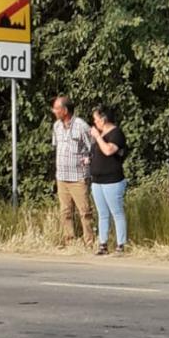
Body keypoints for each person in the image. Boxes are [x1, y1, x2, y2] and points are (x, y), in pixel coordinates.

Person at [51, 95, 94, 249]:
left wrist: (89, 159)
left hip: (78, 177)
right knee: (65, 211)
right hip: (62, 176)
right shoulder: (56, 126)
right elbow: (56, 147)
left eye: (56, 108)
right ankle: (69, 241)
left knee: (85, 211)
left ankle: (89, 242)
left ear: (65, 110)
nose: (54, 111)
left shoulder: (81, 126)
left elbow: (93, 146)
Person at [89, 107, 128, 254]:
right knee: (102, 213)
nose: (94, 122)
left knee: (116, 212)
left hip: (112, 180)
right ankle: (103, 244)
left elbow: (108, 150)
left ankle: (121, 244)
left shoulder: (116, 134)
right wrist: (89, 160)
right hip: (97, 180)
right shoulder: (101, 134)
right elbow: (97, 152)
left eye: (96, 119)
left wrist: (97, 137)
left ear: (103, 119)